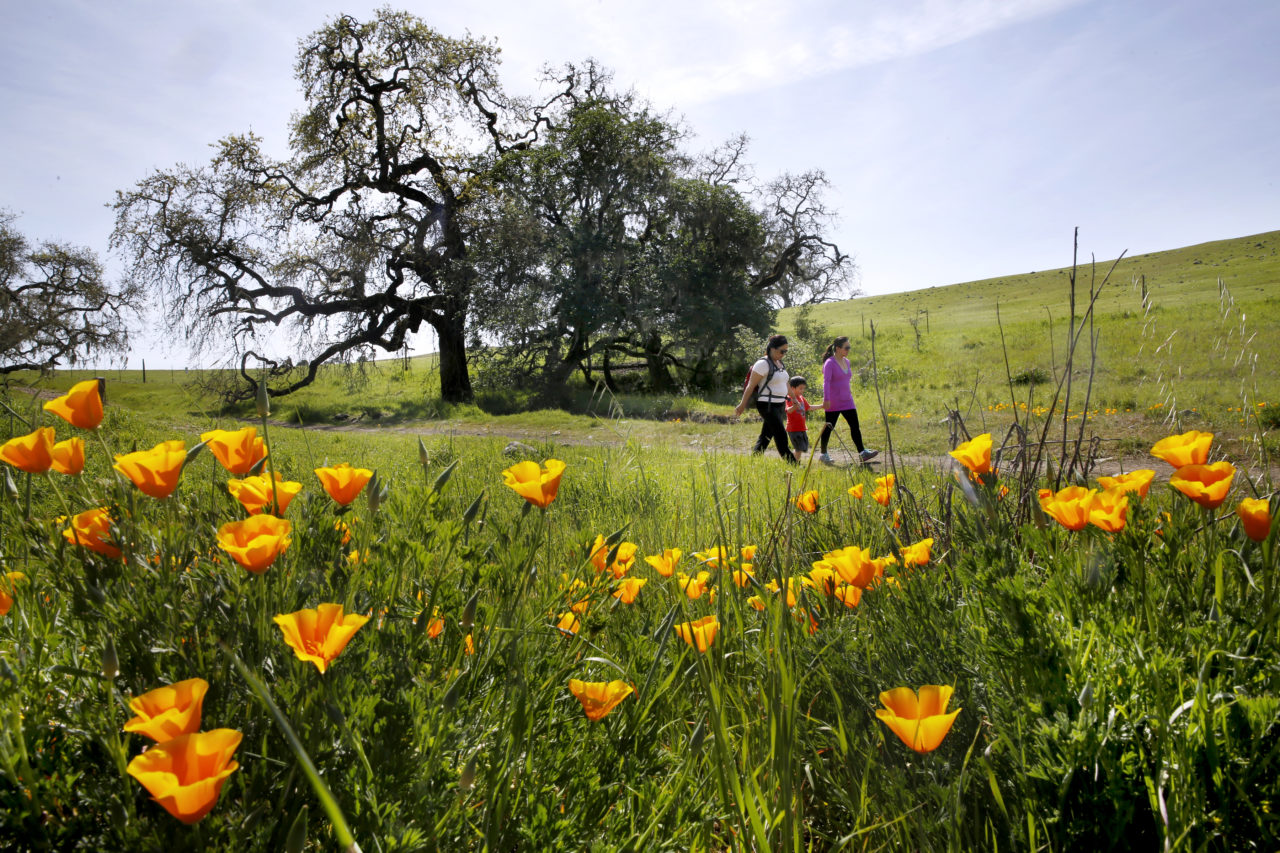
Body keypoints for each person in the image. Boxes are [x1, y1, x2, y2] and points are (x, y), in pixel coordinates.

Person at [733, 335, 797, 462]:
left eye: (786, 351)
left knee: (766, 436)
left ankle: (753, 460)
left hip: (779, 405)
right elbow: (750, 386)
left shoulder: (779, 363)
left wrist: (794, 398)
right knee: (781, 434)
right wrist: (742, 404)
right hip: (767, 405)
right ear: (772, 348)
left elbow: (785, 383)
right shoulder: (762, 364)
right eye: (782, 351)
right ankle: (793, 464)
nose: (784, 354)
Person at [818, 335, 878, 465]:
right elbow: (826, 382)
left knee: (855, 426)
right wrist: (826, 400)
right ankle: (823, 454)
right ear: (838, 348)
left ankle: (862, 453)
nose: (848, 350)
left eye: (849, 347)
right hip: (833, 402)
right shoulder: (830, 363)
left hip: (847, 400)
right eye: (846, 347)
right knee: (829, 427)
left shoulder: (847, 361)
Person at [784, 376, 820, 457]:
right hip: (793, 429)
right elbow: (788, 410)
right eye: (800, 388)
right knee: (799, 449)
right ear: (792, 388)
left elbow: (809, 407)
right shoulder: (790, 399)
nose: (803, 390)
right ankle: (795, 464)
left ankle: (791, 459)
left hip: (802, 428)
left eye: (804, 388)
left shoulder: (801, 398)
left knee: (803, 447)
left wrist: (822, 406)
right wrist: (794, 406)